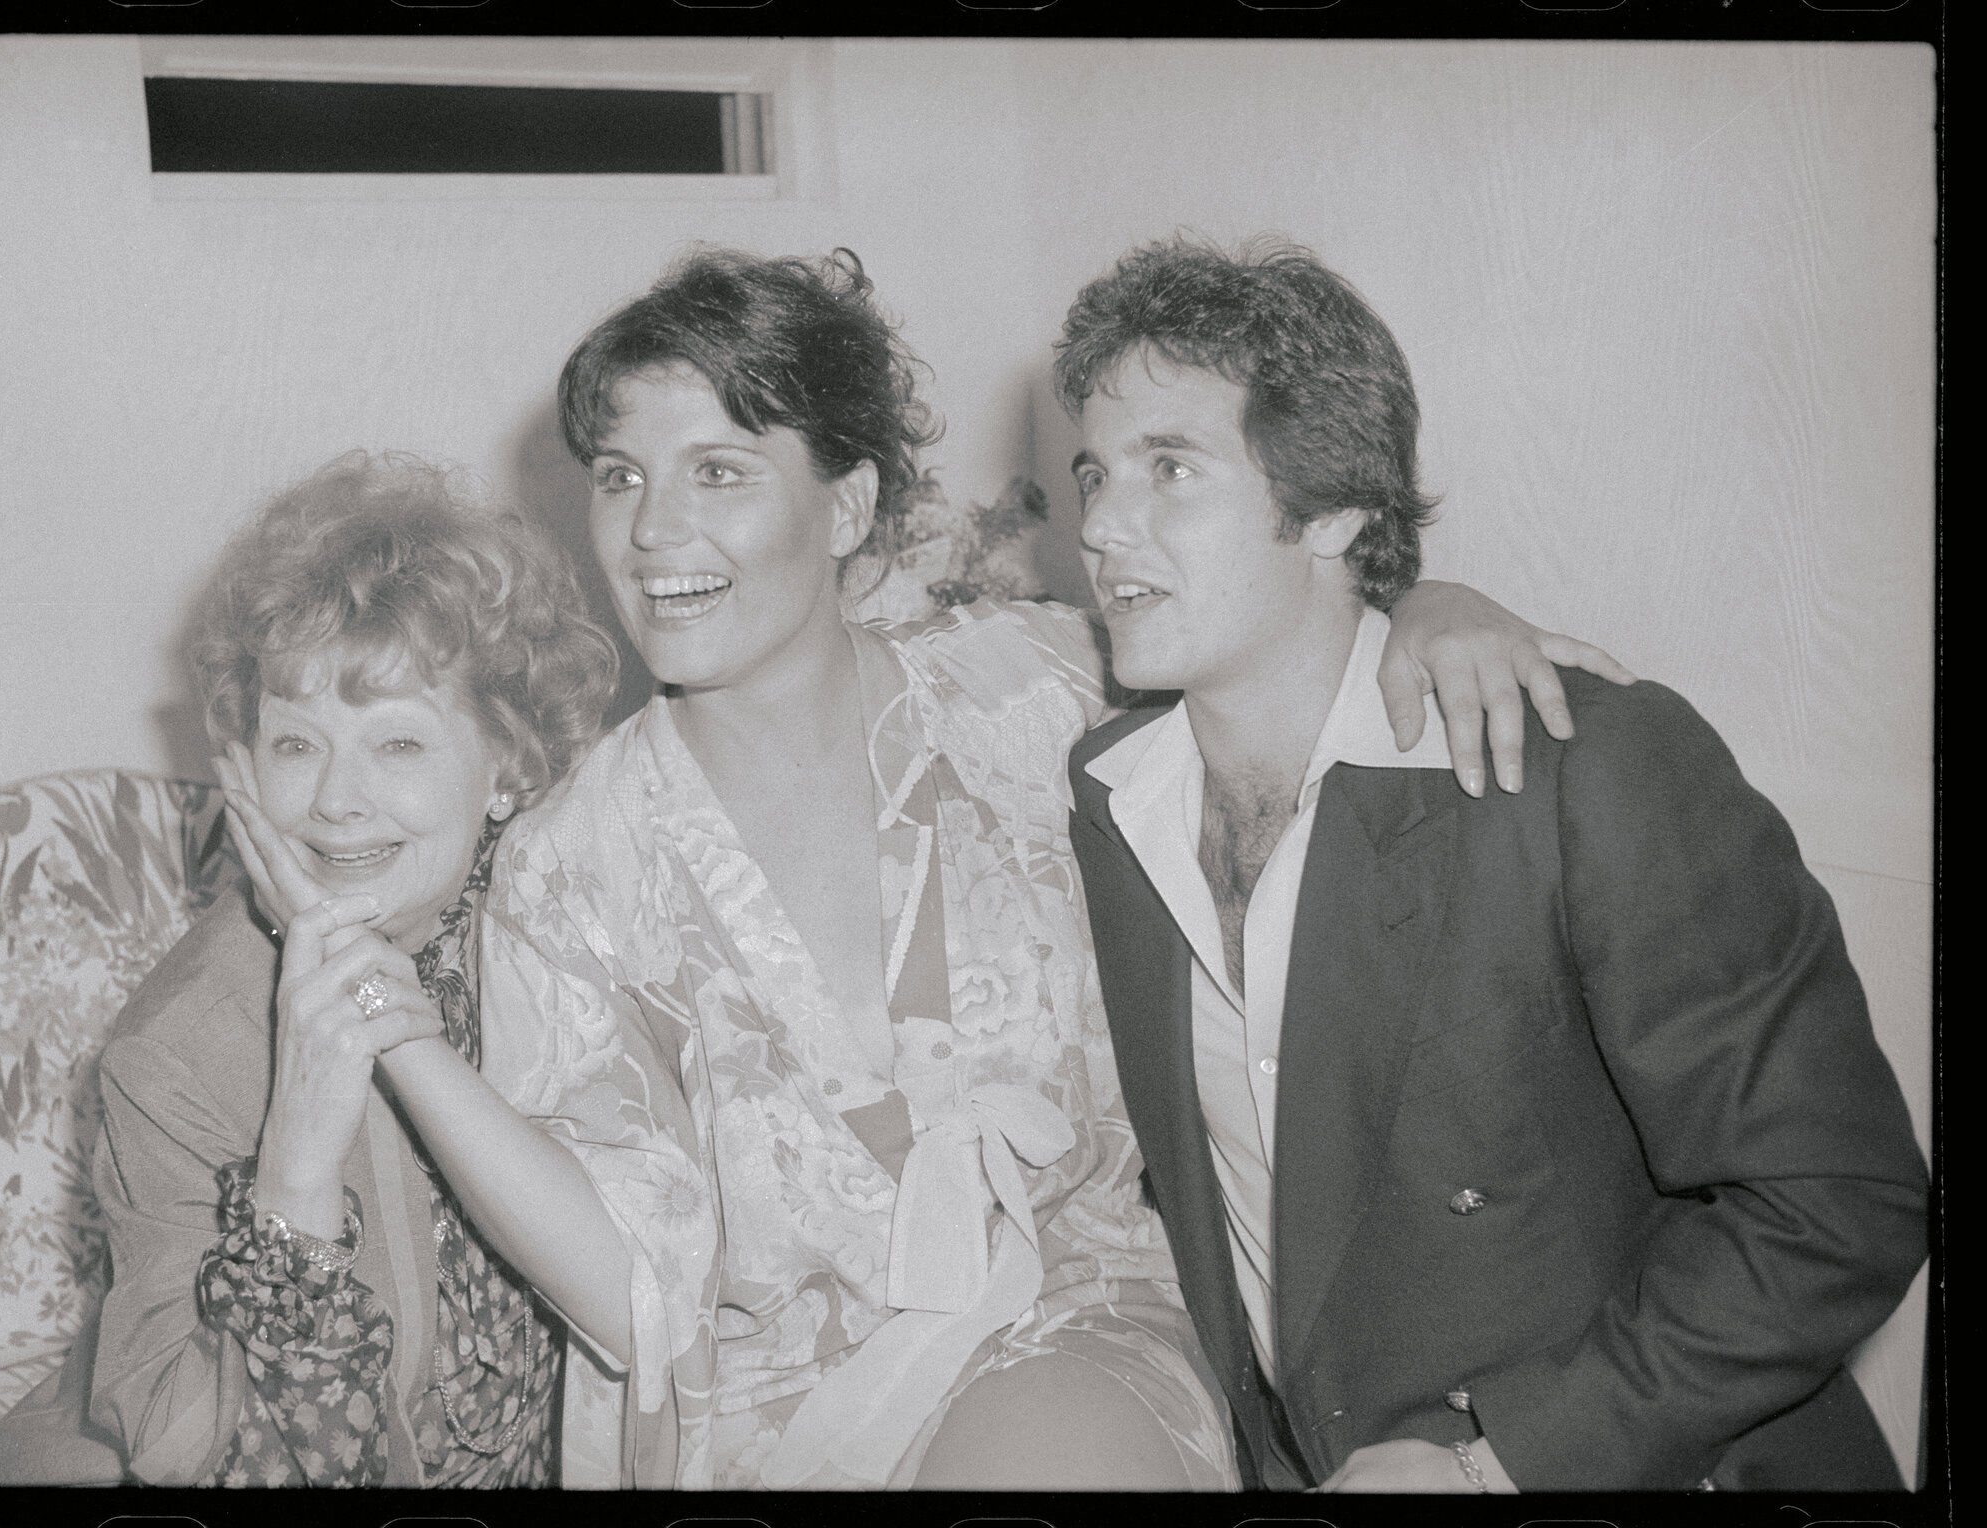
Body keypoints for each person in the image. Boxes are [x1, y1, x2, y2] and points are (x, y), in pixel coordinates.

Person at [216, 247, 1624, 1491]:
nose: (652, 534)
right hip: (762, 1417)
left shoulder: (1040, 693)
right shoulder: (573, 865)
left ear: (847, 506)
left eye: (719, 472)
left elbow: (1280, 643)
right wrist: (392, 1025)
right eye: (624, 479)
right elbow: (638, 1299)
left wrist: (1432, 606)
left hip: (1062, 1330)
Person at [1058, 237, 1930, 1492]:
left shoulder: (1586, 770)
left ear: (1339, 506)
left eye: (1169, 469)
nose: (1096, 525)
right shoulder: (1106, 792)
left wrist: (1499, 1463)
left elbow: (1838, 1202)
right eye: (1093, 470)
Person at [73, 452, 616, 1486]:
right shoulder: (178, 1057)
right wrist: (293, 1174)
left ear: (506, 763)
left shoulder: (571, 918)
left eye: (397, 745)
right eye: (296, 744)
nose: (335, 801)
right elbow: (197, 1454)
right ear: (243, 760)